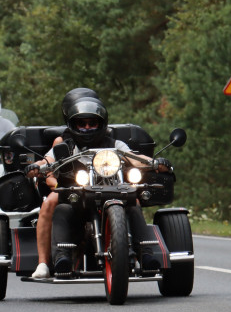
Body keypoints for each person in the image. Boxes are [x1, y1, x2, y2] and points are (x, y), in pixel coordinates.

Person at [26, 90, 169, 279]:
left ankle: (146, 255)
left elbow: (135, 158)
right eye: (82, 124)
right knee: (58, 206)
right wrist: (36, 166)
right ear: (72, 123)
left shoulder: (114, 143)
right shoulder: (65, 145)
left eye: (92, 123)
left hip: (113, 190)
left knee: (134, 203)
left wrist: (155, 162)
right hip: (76, 194)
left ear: (101, 124)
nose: (87, 128)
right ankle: (49, 262)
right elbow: (48, 160)